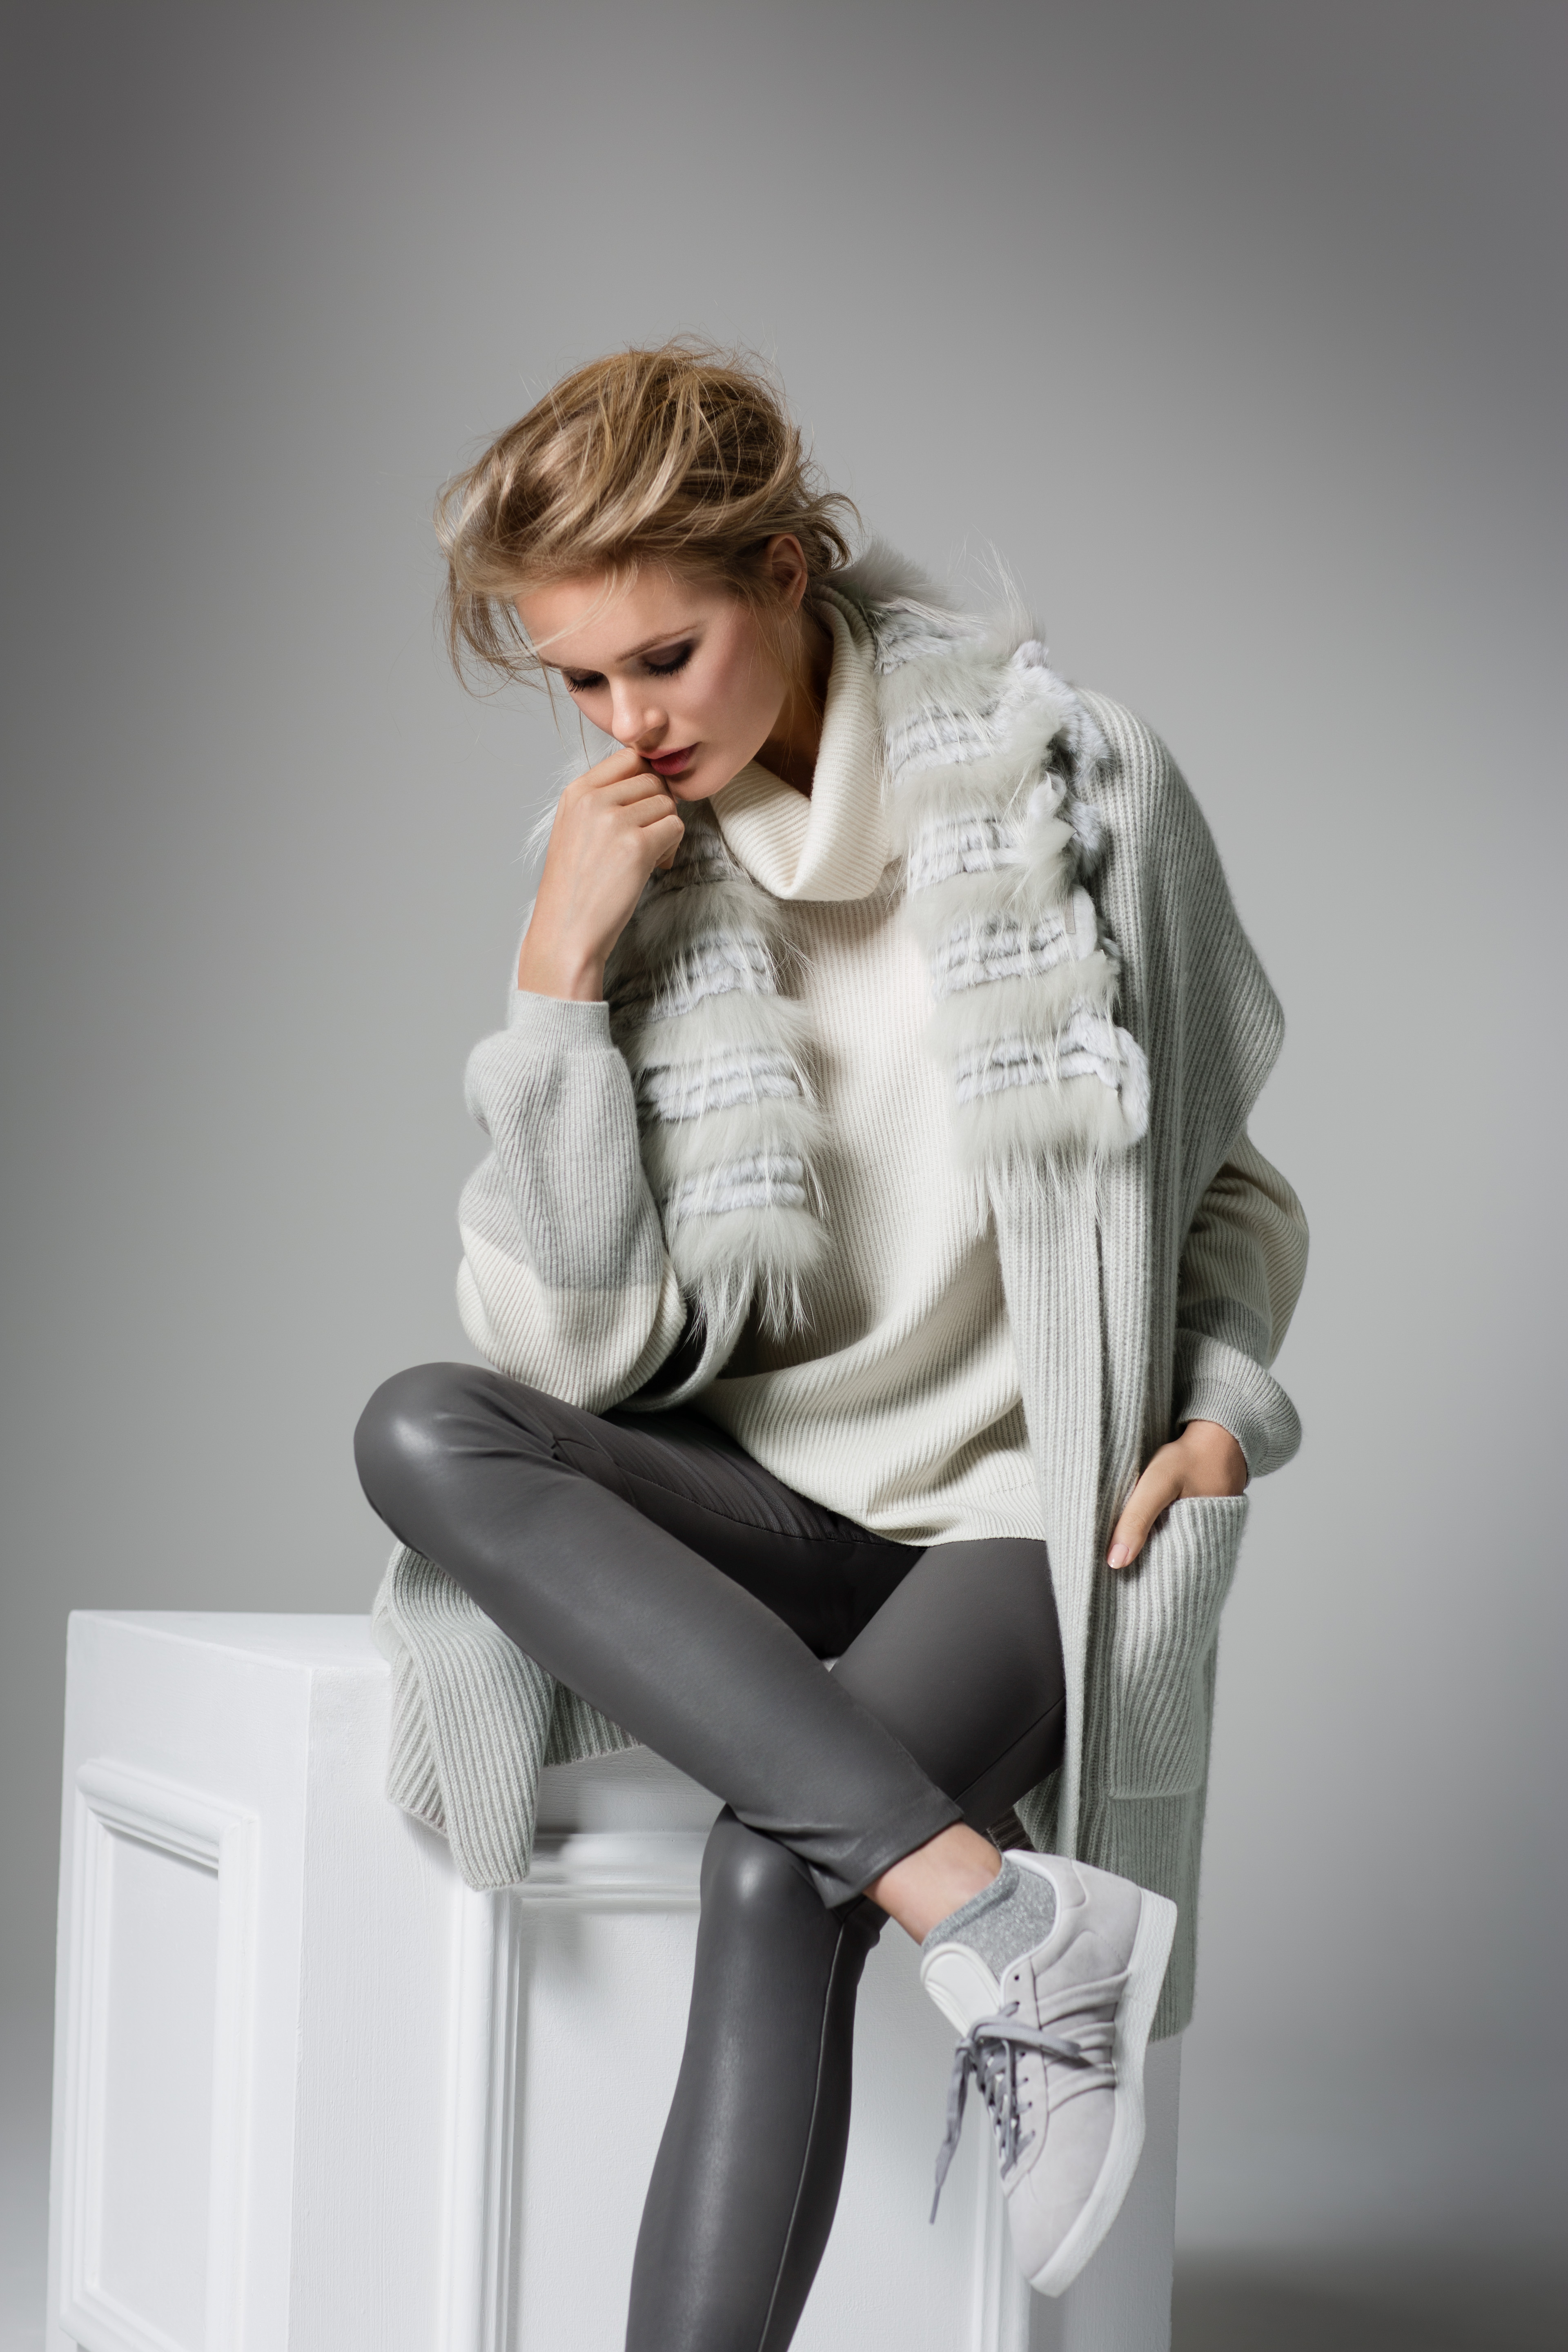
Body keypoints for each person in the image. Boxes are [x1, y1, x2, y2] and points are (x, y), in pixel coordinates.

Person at [354, 341, 1307, 2351]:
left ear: (785, 571)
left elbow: (1224, 1183)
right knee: (424, 1425)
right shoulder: (638, 876)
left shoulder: (1079, 794)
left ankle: (984, 1926)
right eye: (580, 681)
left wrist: (1223, 1417)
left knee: (771, 1879)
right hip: (769, 1512)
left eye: (666, 658)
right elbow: (573, 1352)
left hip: (1015, 1523)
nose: (630, 725)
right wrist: (555, 985)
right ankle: (1003, 1922)